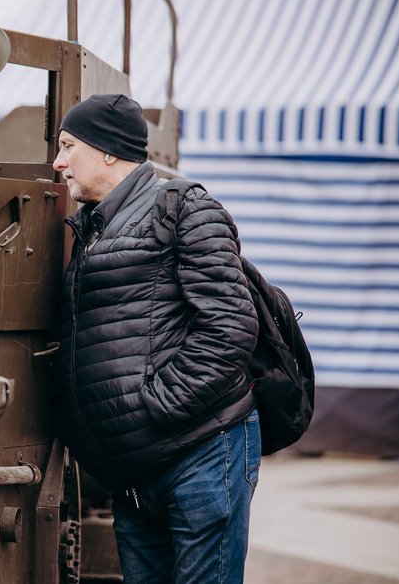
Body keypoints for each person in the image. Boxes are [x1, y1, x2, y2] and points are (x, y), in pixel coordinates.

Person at [52, 93, 261, 584]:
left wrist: (159, 407)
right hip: (135, 467)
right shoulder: (95, 225)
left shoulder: (184, 206)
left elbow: (231, 325)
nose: (58, 162)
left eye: (67, 146)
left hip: (198, 452)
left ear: (107, 151)